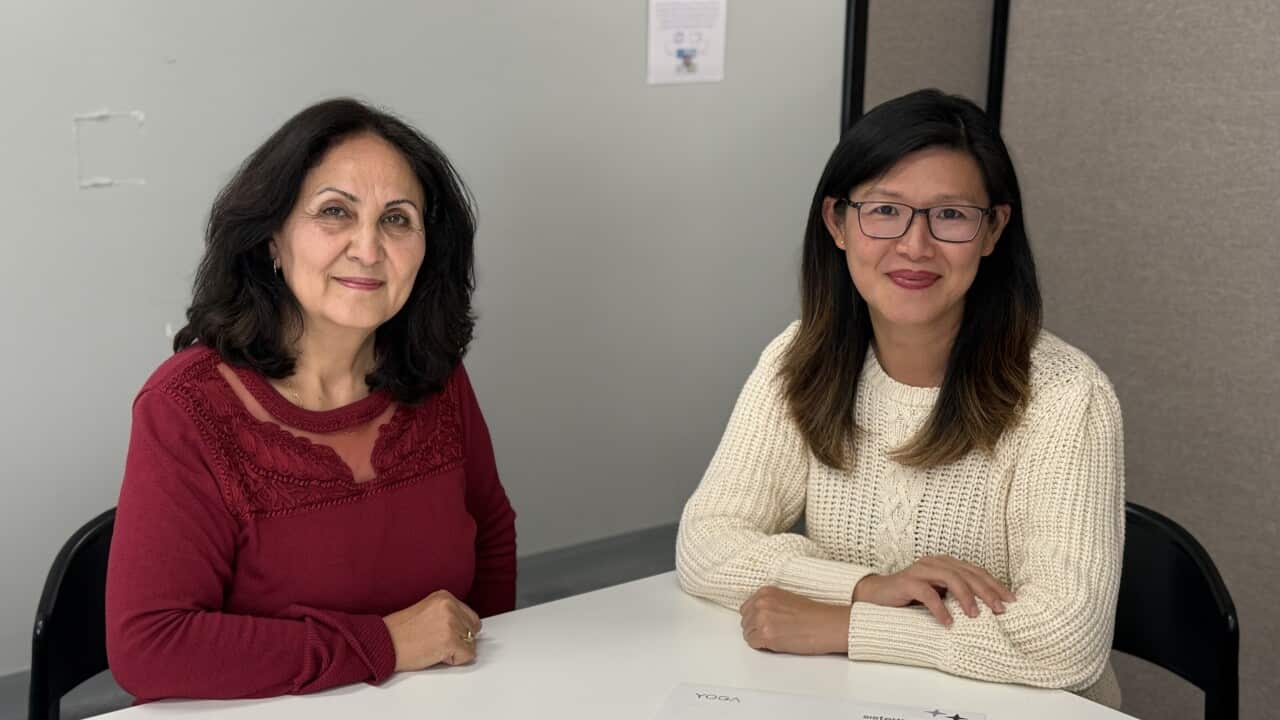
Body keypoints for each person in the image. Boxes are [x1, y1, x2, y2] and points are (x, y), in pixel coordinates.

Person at [675, 89, 1124, 708]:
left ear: (993, 231)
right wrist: (866, 587)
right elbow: (707, 540)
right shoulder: (802, 354)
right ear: (837, 223)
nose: (915, 246)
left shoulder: (1067, 397)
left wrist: (843, 623)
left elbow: (1064, 643)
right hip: (854, 696)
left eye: (951, 216)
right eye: (885, 210)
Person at [105, 98, 517, 701]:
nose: (369, 248)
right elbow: (149, 646)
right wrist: (384, 644)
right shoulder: (186, 406)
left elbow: (491, 536)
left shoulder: (436, 374)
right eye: (335, 213)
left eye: (397, 220)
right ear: (272, 237)